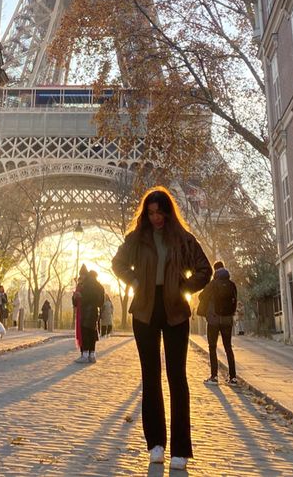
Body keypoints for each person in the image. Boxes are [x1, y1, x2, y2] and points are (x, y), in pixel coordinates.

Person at [112, 186, 211, 471]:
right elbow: (117, 263)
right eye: (151, 213)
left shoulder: (182, 238)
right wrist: (137, 281)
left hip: (175, 309)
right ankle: (155, 443)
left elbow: (205, 269)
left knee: (177, 377)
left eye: (160, 212)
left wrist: (184, 287)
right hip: (144, 309)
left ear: (168, 211)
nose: (155, 218)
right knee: (151, 376)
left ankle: (181, 448)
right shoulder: (137, 238)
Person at [197, 263, 238, 384]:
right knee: (228, 347)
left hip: (214, 320)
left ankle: (214, 376)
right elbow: (235, 301)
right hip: (227, 320)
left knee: (212, 347)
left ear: (215, 271)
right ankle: (233, 377)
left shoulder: (212, 284)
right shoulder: (232, 285)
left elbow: (201, 296)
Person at [75, 269, 104, 363]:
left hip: (86, 311)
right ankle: (92, 355)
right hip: (95, 312)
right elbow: (101, 302)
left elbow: (87, 297)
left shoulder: (87, 284)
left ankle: (85, 354)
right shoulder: (100, 286)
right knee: (92, 333)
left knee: (85, 333)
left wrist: (81, 296)